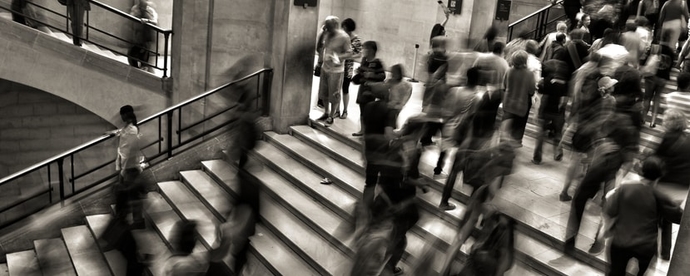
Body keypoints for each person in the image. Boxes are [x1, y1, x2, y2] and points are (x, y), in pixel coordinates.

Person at [605, 156, 683, 276]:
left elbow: (610, 211)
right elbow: (679, 218)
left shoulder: (625, 187)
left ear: (641, 171)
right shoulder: (660, 197)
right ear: (660, 175)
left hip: (620, 242)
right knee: (641, 272)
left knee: (616, 272)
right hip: (645, 246)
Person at [640, 109, 690, 260]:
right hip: (682, 188)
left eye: (666, 120)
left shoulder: (665, 137)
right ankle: (666, 252)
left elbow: (649, 155)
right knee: (667, 217)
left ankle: (652, 250)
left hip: (665, 185)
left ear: (670, 123)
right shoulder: (688, 139)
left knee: (654, 217)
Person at [532, 46, 569, 165]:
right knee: (558, 133)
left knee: (540, 134)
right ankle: (558, 153)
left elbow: (540, 96)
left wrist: (537, 111)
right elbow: (566, 96)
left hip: (546, 107)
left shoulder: (545, 79)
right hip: (558, 109)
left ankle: (537, 157)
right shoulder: (565, 73)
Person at [316, 16, 353, 125]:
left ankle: (332, 115)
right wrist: (322, 33)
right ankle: (326, 112)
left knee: (334, 93)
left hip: (336, 70)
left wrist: (338, 57)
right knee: (324, 92)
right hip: (325, 67)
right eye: (326, 26)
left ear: (335, 26)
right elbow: (319, 48)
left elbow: (349, 53)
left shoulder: (344, 37)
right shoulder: (327, 34)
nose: (327, 28)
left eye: (329, 26)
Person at [501, 50, 536, 146]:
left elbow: (504, 86)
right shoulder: (529, 74)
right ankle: (516, 141)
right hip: (521, 105)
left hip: (508, 104)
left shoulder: (509, 71)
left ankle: (503, 144)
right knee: (519, 126)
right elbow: (531, 91)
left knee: (505, 127)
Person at [352, 41, 386, 136]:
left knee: (369, 109)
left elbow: (382, 76)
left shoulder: (377, 62)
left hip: (371, 90)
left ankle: (369, 130)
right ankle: (363, 129)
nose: (363, 51)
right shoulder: (364, 60)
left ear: (371, 50)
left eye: (365, 48)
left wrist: (373, 75)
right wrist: (359, 72)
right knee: (362, 109)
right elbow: (361, 72)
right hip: (362, 88)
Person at [643, 30, 675, 128]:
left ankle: (643, 118)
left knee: (647, 98)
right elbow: (670, 66)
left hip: (652, 76)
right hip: (663, 78)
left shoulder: (654, 48)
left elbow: (645, 61)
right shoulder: (671, 52)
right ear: (669, 39)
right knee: (657, 98)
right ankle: (653, 122)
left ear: (660, 37)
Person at [340, 18, 363, 119]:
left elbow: (359, 55)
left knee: (345, 89)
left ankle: (345, 110)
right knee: (336, 89)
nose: (343, 30)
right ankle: (336, 110)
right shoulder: (341, 37)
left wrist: (347, 56)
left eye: (345, 28)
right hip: (338, 66)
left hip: (347, 67)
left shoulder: (356, 40)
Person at [129, 0, 158, 73]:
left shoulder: (150, 10)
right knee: (133, 53)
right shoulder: (135, 9)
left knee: (145, 54)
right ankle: (137, 69)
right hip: (138, 35)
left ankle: (145, 69)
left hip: (147, 35)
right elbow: (131, 17)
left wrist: (147, 21)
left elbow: (155, 21)